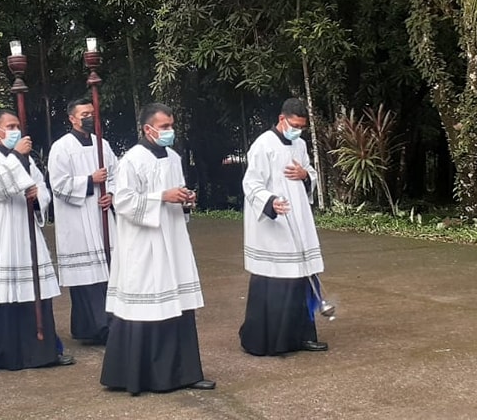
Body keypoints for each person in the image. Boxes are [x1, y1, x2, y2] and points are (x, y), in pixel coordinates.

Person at [101, 103, 213, 394]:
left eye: (171, 126)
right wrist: (161, 196)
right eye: (164, 127)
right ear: (147, 129)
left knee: (179, 305)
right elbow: (122, 201)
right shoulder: (132, 160)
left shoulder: (174, 157)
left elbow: (175, 192)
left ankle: (185, 373)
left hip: (173, 240)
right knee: (149, 305)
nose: (169, 131)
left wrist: (185, 199)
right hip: (145, 243)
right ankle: (146, 376)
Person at [0, 109, 73, 371]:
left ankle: (40, 353)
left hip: (23, 231)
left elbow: (41, 187)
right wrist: (17, 156)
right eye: (10, 126)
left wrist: (36, 197)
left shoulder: (26, 159)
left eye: (17, 125)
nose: (15, 130)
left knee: (32, 291)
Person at [239, 98, 328, 356]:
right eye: (294, 124)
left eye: (301, 126)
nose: (297, 130)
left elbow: (309, 171)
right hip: (274, 225)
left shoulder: (300, 144)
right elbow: (251, 183)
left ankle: (304, 336)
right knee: (277, 282)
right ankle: (271, 341)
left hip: (299, 219)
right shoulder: (262, 146)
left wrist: (305, 176)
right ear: (281, 119)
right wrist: (270, 202)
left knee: (303, 279)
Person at [47, 98, 117, 345]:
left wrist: (112, 194)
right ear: (72, 118)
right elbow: (58, 184)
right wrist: (90, 180)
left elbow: (116, 175)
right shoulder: (62, 147)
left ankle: (112, 322)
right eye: (84, 113)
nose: (89, 117)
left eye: (92, 112)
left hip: (102, 215)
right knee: (86, 276)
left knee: (109, 271)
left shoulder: (103, 145)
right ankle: (93, 327)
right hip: (77, 218)